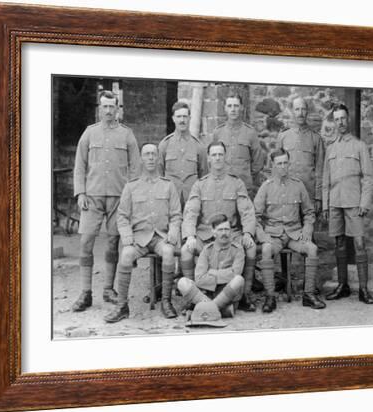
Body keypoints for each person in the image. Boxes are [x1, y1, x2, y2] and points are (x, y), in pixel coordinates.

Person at [71, 90, 140, 312]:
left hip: (118, 199)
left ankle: (109, 289)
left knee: (112, 243)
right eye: (105, 107)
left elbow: (136, 169)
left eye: (112, 107)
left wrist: (129, 198)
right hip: (92, 197)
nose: (108, 111)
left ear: (118, 109)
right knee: (86, 242)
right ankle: (85, 292)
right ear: (99, 108)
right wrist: (80, 193)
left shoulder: (127, 135)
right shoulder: (89, 134)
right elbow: (79, 165)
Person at [104, 143, 182, 323]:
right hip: (139, 238)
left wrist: (173, 230)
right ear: (141, 159)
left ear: (158, 158)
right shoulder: (131, 187)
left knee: (169, 252)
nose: (151, 158)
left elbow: (176, 214)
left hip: (160, 237)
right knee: (126, 254)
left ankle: (166, 301)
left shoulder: (168, 186)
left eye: (154, 154)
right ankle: (122, 306)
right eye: (147, 154)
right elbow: (122, 216)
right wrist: (126, 236)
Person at [181, 141, 258, 312]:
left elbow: (246, 210)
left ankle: (244, 295)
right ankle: (192, 298)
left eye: (220, 154)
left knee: (251, 249)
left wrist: (247, 233)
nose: (217, 158)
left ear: (225, 157)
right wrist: (190, 235)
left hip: (229, 234)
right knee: (186, 250)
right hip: (205, 234)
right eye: (214, 155)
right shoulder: (200, 184)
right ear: (208, 158)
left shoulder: (236, 183)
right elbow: (191, 212)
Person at [254, 149, 326, 311]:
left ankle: (308, 295)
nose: (283, 167)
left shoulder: (298, 185)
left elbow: (308, 212)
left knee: (312, 249)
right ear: (273, 165)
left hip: (295, 234)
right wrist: (262, 235)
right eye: (279, 163)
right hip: (274, 235)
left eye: (285, 163)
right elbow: (255, 216)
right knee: (266, 249)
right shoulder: (266, 187)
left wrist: (307, 229)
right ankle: (270, 297)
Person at [322, 103, 373, 304]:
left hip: (354, 203)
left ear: (348, 120)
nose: (340, 123)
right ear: (334, 122)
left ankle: (363, 289)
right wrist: (326, 205)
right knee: (340, 243)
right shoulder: (331, 148)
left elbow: (368, 177)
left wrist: (364, 202)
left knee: (359, 244)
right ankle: (343, 286)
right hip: (335, 202)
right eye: (336, 119)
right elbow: (325, 179)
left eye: (343, 118)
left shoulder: (359, 146)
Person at [177, 214, 245, 318]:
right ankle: (218, 310)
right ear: (213, 232)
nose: (224, 233)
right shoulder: (207, 250)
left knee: (239, 280)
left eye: (227, 229)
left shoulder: (238, 249)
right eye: (220, 230)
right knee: (182, 283)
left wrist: (211, 272)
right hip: (206, 294)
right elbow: (199, 279)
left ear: (230, 231)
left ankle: (202, 310)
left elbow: (235, 274)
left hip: (226, 293)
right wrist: (225, 274)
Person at [213, 92, 265, 199]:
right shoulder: (218, 132)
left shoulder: (250, 132)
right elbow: (212, 159)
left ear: (241, 108)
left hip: (244, 187)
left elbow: (258, 161)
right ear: (225, 109)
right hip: (223, 187)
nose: (233, 109)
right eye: (230, 106)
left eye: (236, 106)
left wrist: (247, 176)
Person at [276, 97, 325, 213]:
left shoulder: (316, 138)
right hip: (287, 193)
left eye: (303, 109)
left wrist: (318, 197)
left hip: (308, 195)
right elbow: (276, 167)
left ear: (307, 111)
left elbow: (320, 170)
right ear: (293, 111)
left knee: (308, 229)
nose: (300, 113)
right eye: (297, 109)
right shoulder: (283, 137)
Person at [158, 101, 208, 207]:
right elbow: (159, 176)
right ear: (173, 118)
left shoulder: (199, 146)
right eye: (179, 116)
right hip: (170, 201)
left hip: (192, 201)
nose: (182, 120)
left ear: (190, 118)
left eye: (185, 116)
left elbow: (204, 177)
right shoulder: (164, 145)